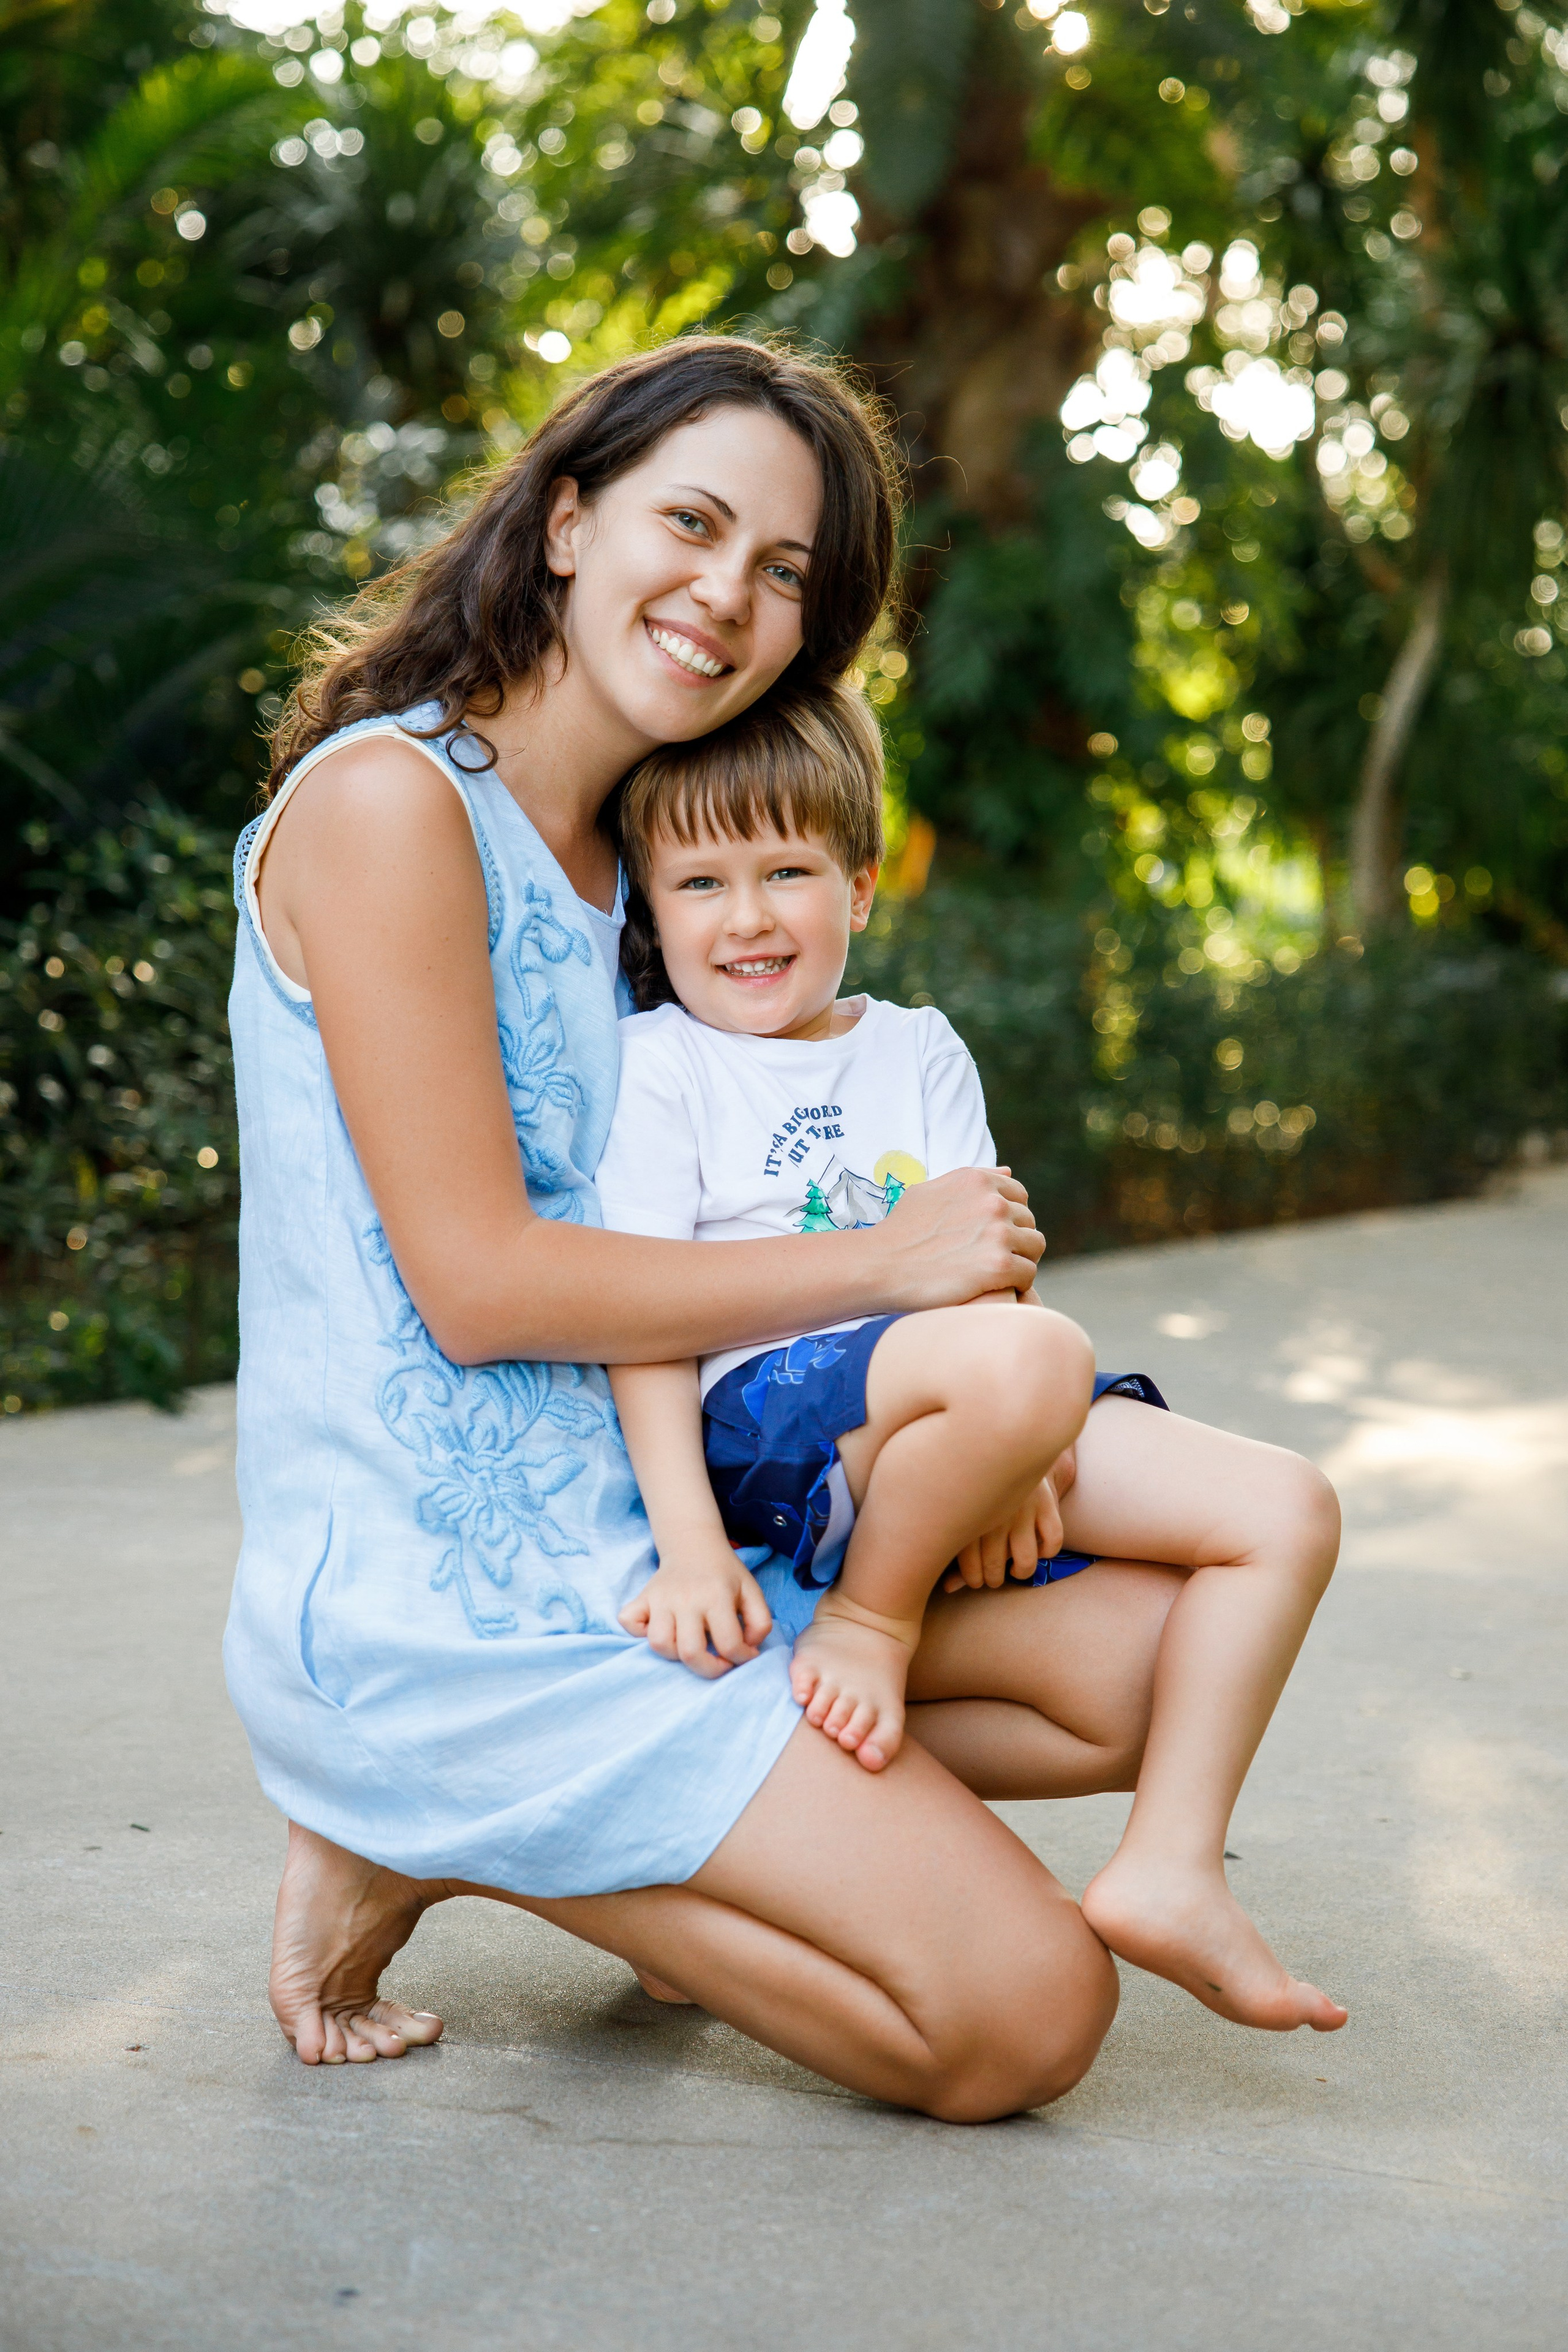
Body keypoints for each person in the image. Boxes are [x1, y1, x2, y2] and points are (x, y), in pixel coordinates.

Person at [228, 336, 1340, 2122]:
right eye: (692, 520)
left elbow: (809, 1171)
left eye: (786, 572)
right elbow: (482, 1283)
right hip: (473, 1599)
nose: (726, 592)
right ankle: (436, 1818)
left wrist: (969, 1417)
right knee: (1028, 2019)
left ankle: (545, 1828)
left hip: (694, 1531)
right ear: (569, 518)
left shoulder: (637, 867)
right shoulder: (389, 805)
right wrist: (896, 1279)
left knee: (1144, 1669)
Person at [595, 682, 1347, 2032]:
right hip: (765, 1428)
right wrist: (682, 1544)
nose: (748, 915)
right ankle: (868, 1627)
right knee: (1025, 1360)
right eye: (699, 882)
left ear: (862, 885)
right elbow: (639, 1324)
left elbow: (991, 1274)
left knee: (1282, 1510)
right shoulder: (658, 1066)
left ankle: (1169, 1865)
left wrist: (1022, 1457)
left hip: (964, 1399)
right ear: (650, 912)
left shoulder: (915, 1048)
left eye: (787, 870)